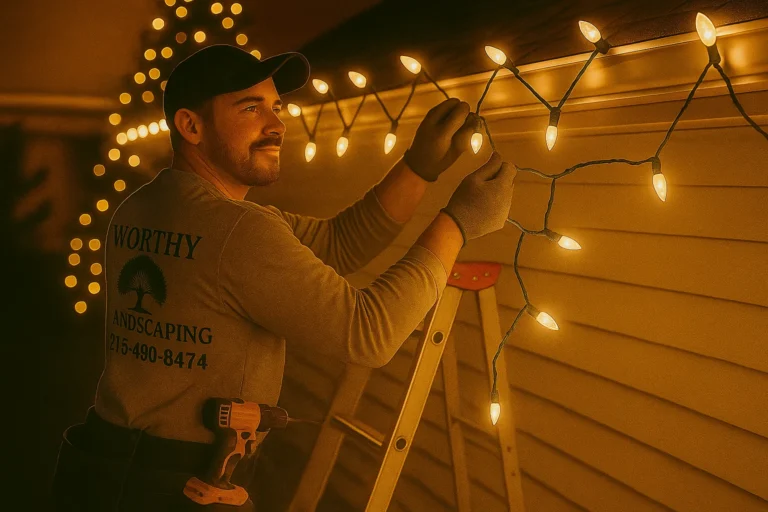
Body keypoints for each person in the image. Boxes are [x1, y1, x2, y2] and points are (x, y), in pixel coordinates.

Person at [50, 44, 516, 511]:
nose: (276, 126)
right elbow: (369, 332)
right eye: (250, 109)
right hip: (180, 488)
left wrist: (418, 168)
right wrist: (458, 222)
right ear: (191, 126)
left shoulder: (143, 207)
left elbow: (338, 244)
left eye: (277, 107)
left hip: (103, 469)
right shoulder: (238, 232)